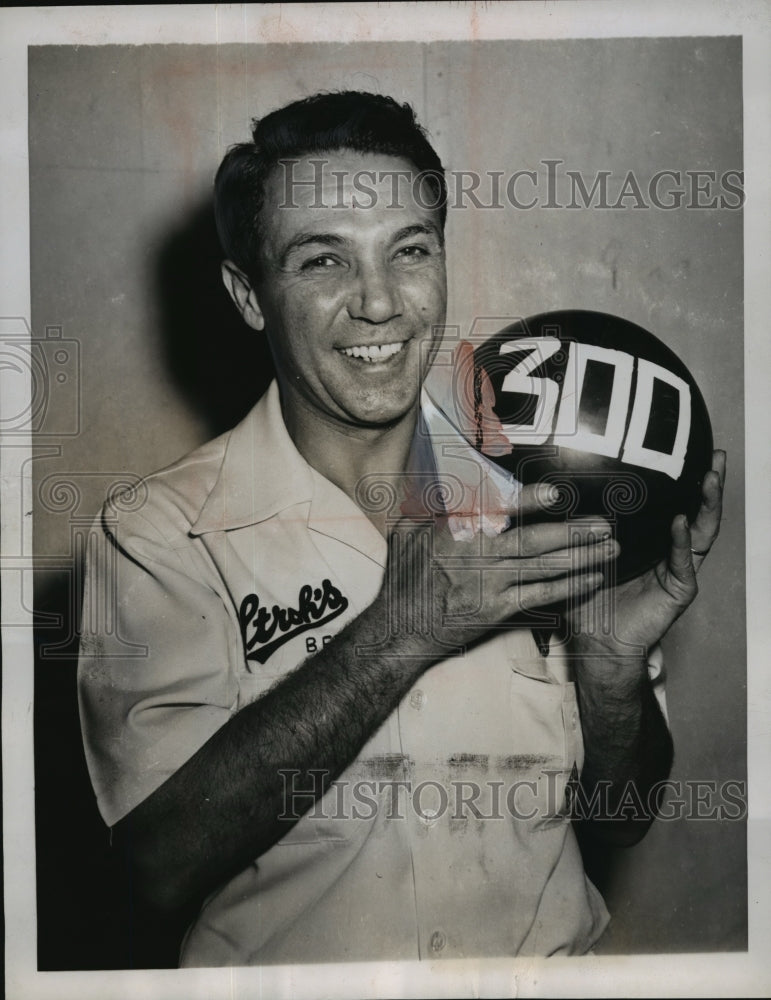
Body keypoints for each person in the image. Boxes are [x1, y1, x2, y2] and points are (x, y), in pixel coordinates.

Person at [77, 91, 725, 966]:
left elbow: (623, 820)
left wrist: (609, 674)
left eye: (409, 251)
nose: (378, 303)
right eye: (321, 262)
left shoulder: (542, 490)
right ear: (249, 295)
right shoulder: (158, 534)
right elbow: (150, 871)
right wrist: (398, 634)